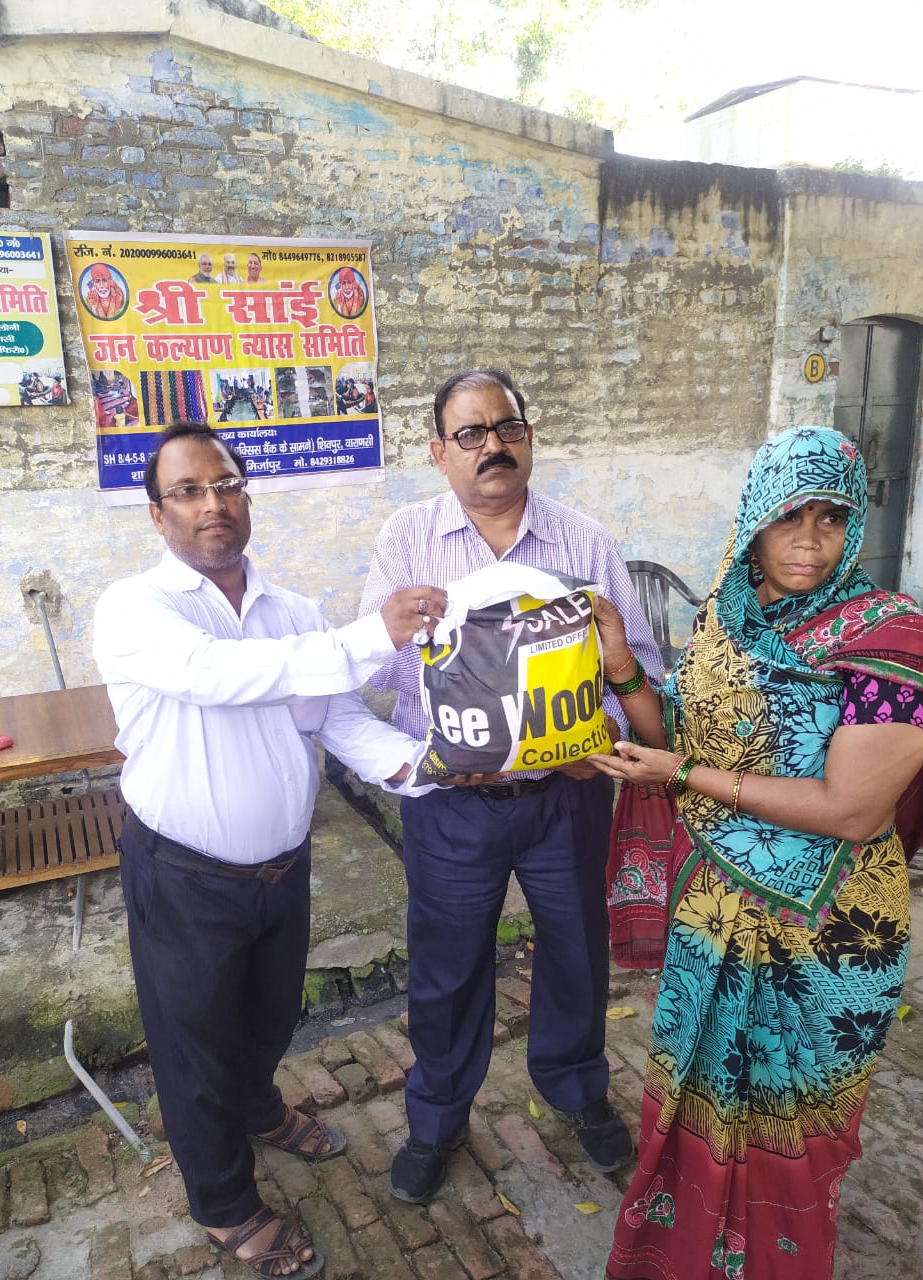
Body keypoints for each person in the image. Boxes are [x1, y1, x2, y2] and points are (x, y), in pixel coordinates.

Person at [93, 422, 446, 1280]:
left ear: (247, 496)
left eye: (226, 484)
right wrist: (372, 636)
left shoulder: (295, 613)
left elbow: (335, 715)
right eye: (188, 490)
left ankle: (255, 1108)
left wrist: (424, 767)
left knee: (271, 1016)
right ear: (157, 514)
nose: (212, 503)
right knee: (195, 1047)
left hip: (281, 869)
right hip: (184, 874)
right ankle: (223, 1204)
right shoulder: (137, 609)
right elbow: (216, 675)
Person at [587, 426, 923, 1280]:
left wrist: (683, 774)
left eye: (831, 517)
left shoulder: (891, 637)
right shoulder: (724, 620)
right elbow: (675, 737)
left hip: (828, 928)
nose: (809, 540)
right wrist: (623, 668)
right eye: (788, 517)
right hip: (715, 913)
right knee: (700, 1108)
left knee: (793, 1135)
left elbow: (853, 811)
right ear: (754, 521)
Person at [358, 368, 663, 1204]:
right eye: (470, 434)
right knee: (447, 967)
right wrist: (447, 702)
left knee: (576, 952)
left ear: (528, 438)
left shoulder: (584, 543)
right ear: (439, 452)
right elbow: (381, 669)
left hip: (567, 797)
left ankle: (577, 1088)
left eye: (507, 428)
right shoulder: (407, 541)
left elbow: (637, 665)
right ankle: (436, 1117)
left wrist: (596, 732)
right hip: (454, 805)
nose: (491, 446)